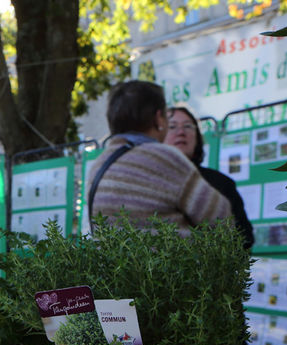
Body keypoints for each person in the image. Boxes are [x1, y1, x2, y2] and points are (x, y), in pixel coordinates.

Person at [86, 81, 233, 233]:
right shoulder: (163, 159)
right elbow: (220, 217)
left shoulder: (98, 166)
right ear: (159, 119)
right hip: (170, 257)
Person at [165, 106, 255, 249]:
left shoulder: (221, 183)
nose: (181, 132)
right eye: (172, 126)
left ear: (197, 136)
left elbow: (244, 237)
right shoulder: (146, 180)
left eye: (188, 126)